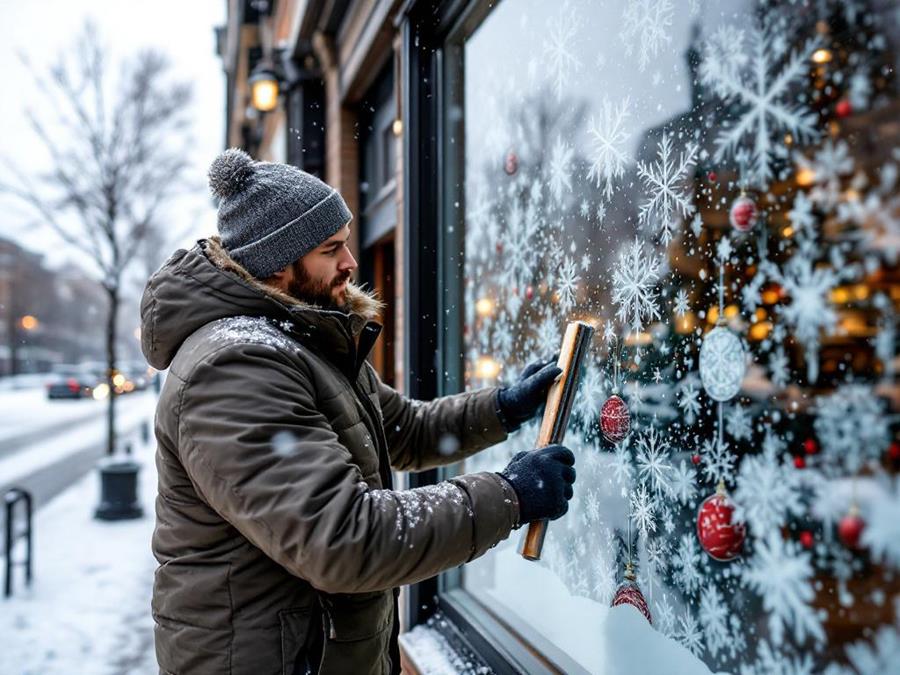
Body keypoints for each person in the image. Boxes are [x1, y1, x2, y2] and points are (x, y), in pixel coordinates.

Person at [140, 148, 577, 675]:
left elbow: (405, 429)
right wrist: (508, 496)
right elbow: (344, 538)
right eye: (332, 249)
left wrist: (504, 407)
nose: (351, 263)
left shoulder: (303, 339)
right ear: (279, 264)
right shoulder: (234, 368)